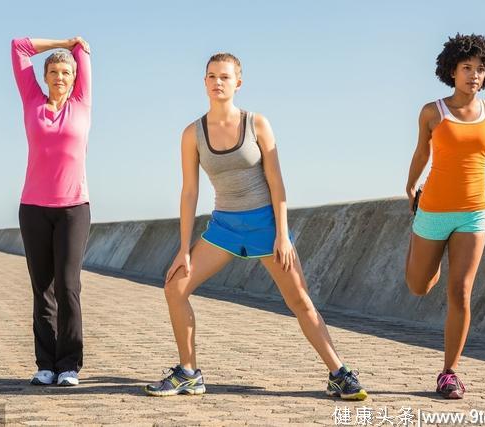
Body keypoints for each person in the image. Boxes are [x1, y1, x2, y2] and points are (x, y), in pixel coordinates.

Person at [144, 53, 367, 400]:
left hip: (265, 223)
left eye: (226, 77)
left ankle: (339, 373)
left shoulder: (257, 123)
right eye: (212, 76)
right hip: (224, 226)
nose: (218, 82)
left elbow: (276, 183)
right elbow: (190, 192)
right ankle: (189, 373)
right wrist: (183, 249)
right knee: (175, 288)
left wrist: (282, 234)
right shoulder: (192, 134)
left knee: (301, 302)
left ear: (238, 83)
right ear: (204, 82)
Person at [405, 34, 485, 399]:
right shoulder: (433, 111)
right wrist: (410, 186)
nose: (474, 75)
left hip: (474, 213)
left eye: (480, 69)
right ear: (452, 70)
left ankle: (449, 372)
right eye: (467, 68)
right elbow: (421, 154)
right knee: (419, 285)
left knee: (460, 292)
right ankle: (417, 247)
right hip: (432, 211)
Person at [11, 36, 92, 386]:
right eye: (54, 72)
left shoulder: (82, 103)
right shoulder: (32, 100)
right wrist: (63, 42)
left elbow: (82, 54)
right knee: (41, 287)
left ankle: (69, 365)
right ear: (44, 76)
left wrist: (77, 47)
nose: (60, 77)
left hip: (74, 208)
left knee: (68, 286)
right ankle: (46, 364)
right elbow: (19, 47)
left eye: (66, 72)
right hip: (33, 208)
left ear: (75, 78)